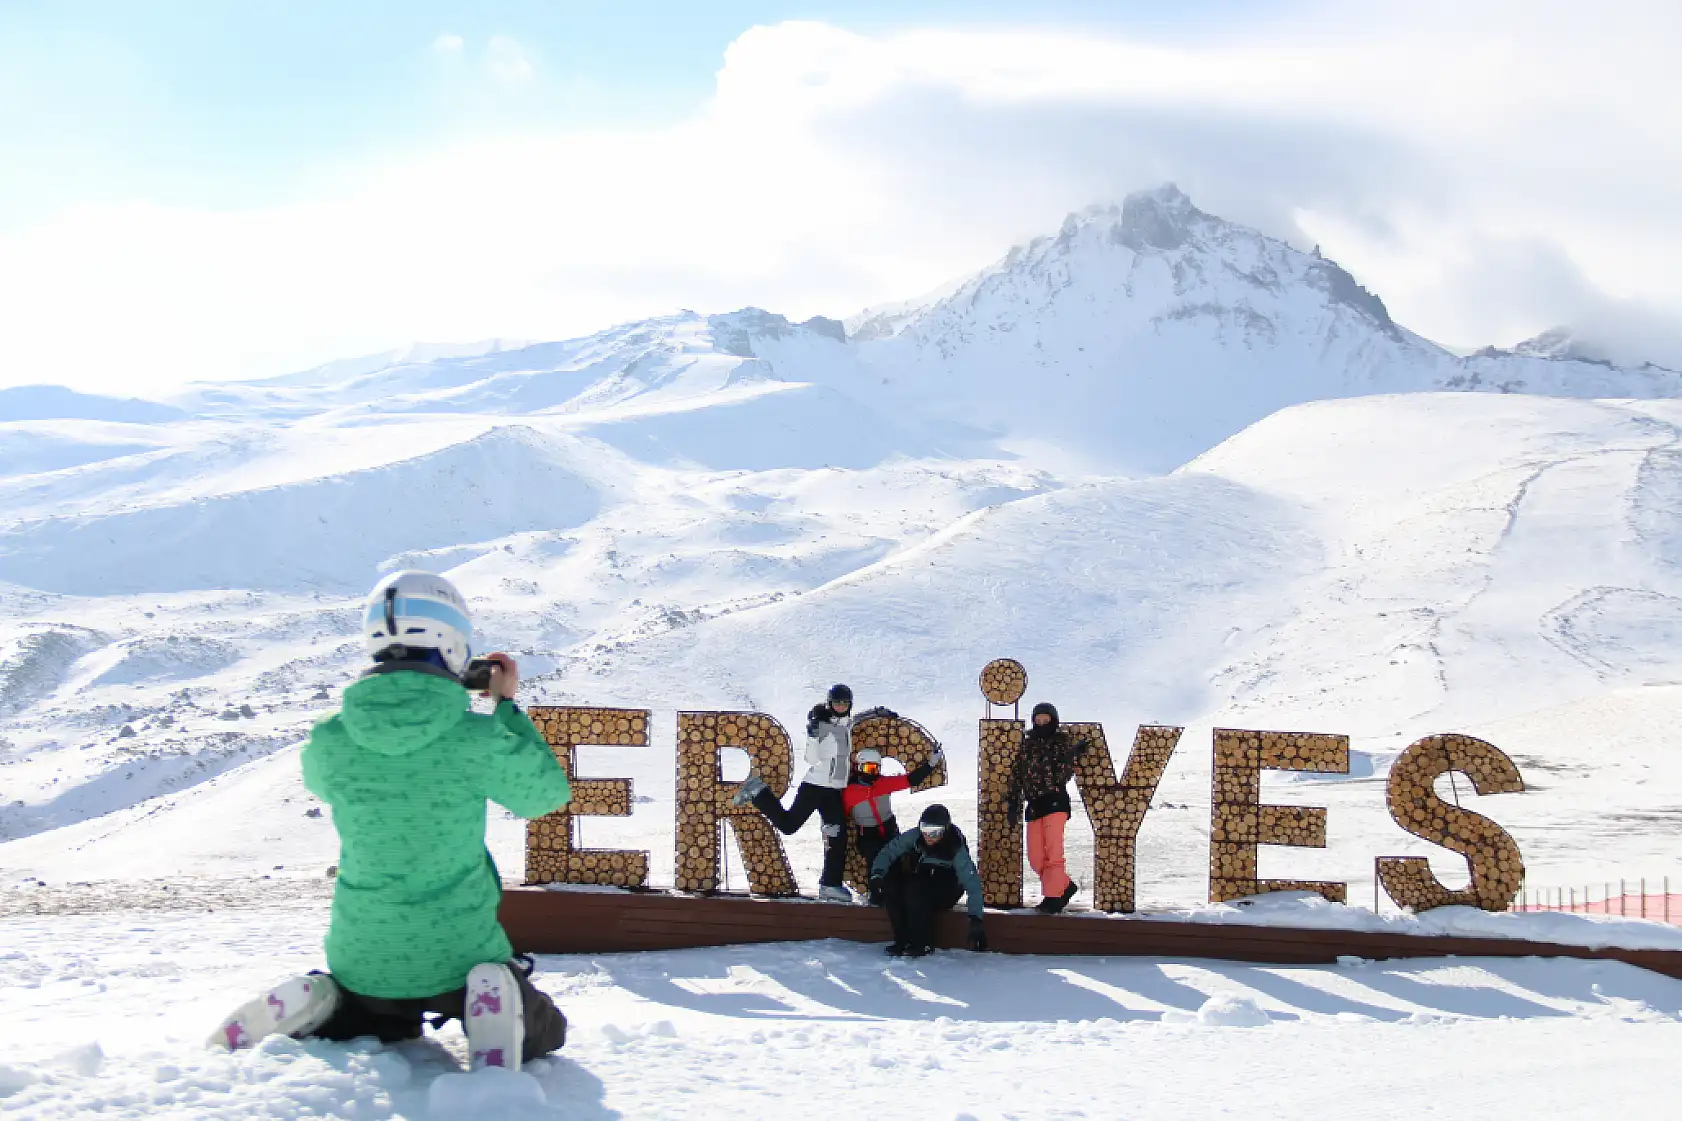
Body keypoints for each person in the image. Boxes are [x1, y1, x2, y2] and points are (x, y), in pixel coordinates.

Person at [208, 570, 573, 1072]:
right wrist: (505, 707)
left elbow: (321, 784)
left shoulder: (331, 740)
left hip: (363, 954)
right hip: (459, 953)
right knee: (548, 1027)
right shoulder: (476, 739)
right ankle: (494, 998)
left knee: (379, 1018)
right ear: (453, 645)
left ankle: (325, 1003)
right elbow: (546, 796)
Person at [733, 684, 892, 903]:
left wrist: (875, 712)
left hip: (833, 791)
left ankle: (830, 885)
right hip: (816, 788)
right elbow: (811, 758)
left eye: (844, 703)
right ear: (829, 703)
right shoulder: (822, 725)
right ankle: (758, 791)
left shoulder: (844, 722)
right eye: (837, 702)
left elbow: (853, 721)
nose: (840, 706)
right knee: (789, 826)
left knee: (838, 838)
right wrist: (812, 735)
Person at [1003, 702, 1090, 914]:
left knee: (1053, 853)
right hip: (1033, 804)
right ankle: (1064, 886)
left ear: (1053, 720)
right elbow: (1017, 775)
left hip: (1055, 801)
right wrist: (1013, 803)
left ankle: (1053, 898)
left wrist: (1071, 756)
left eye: (1045, 719)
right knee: (1035, 858)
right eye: (1038, 720)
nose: (1041, 723)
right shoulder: (1027, 744)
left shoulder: (1060, 743)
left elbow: (1062, 775)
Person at [868, 804, 988, 958]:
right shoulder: (915, 836)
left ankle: (923, 943)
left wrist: (976, 919)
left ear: (945, 830)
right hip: (922, 879)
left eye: (935, 832)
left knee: (915, 889)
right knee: (894, 885)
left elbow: (971, 881)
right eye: (925, 829)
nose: (928, 836)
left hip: (947, 887)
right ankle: (902, 940)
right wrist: (877, 875)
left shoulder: (954, 846)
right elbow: (890, 851)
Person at [843, 745, 944, 903]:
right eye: (868, 768)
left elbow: (911, 780)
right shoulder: (849, 792)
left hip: (889, 829)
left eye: (875, 769)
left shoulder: (884, 783)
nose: (872, 773)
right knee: (876, 862)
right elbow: (839, 813)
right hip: (868, 835)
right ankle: (876, 897)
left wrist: (930, 764)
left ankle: (903, 895)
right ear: (859, 767)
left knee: (898, 859)